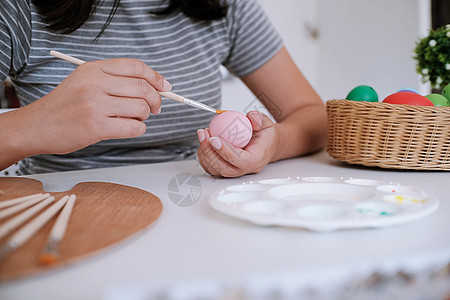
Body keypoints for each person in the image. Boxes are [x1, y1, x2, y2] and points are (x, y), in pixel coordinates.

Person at [0, 0, 327, 177]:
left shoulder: (223, 6)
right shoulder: (19, 9)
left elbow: (312, 117)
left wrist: (272, 146)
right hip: (58, 206)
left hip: (188, 199)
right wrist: (36, 124)